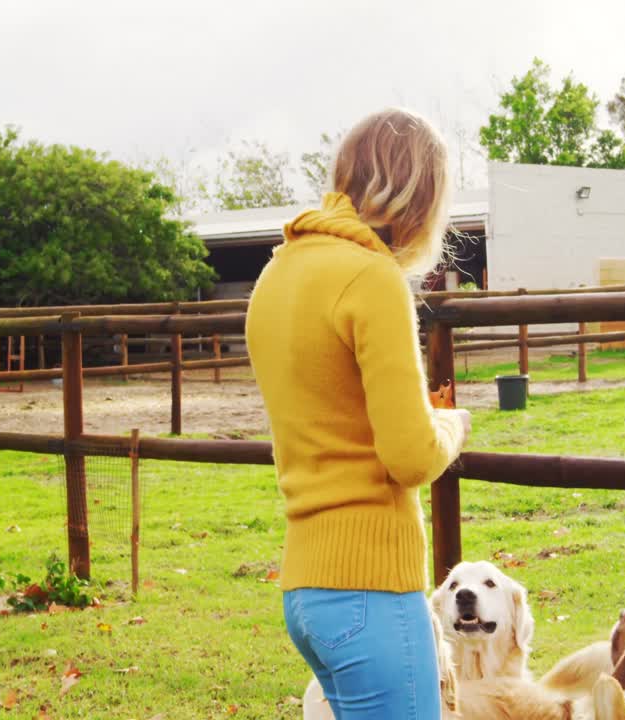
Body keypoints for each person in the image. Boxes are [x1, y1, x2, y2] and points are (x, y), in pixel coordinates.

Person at [245, 108, 472, 719]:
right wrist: (451, 424)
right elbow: (410, 455)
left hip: (306, 585)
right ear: (419, 198)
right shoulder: (371, 277)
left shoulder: (276, 272)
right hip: (370, 585)